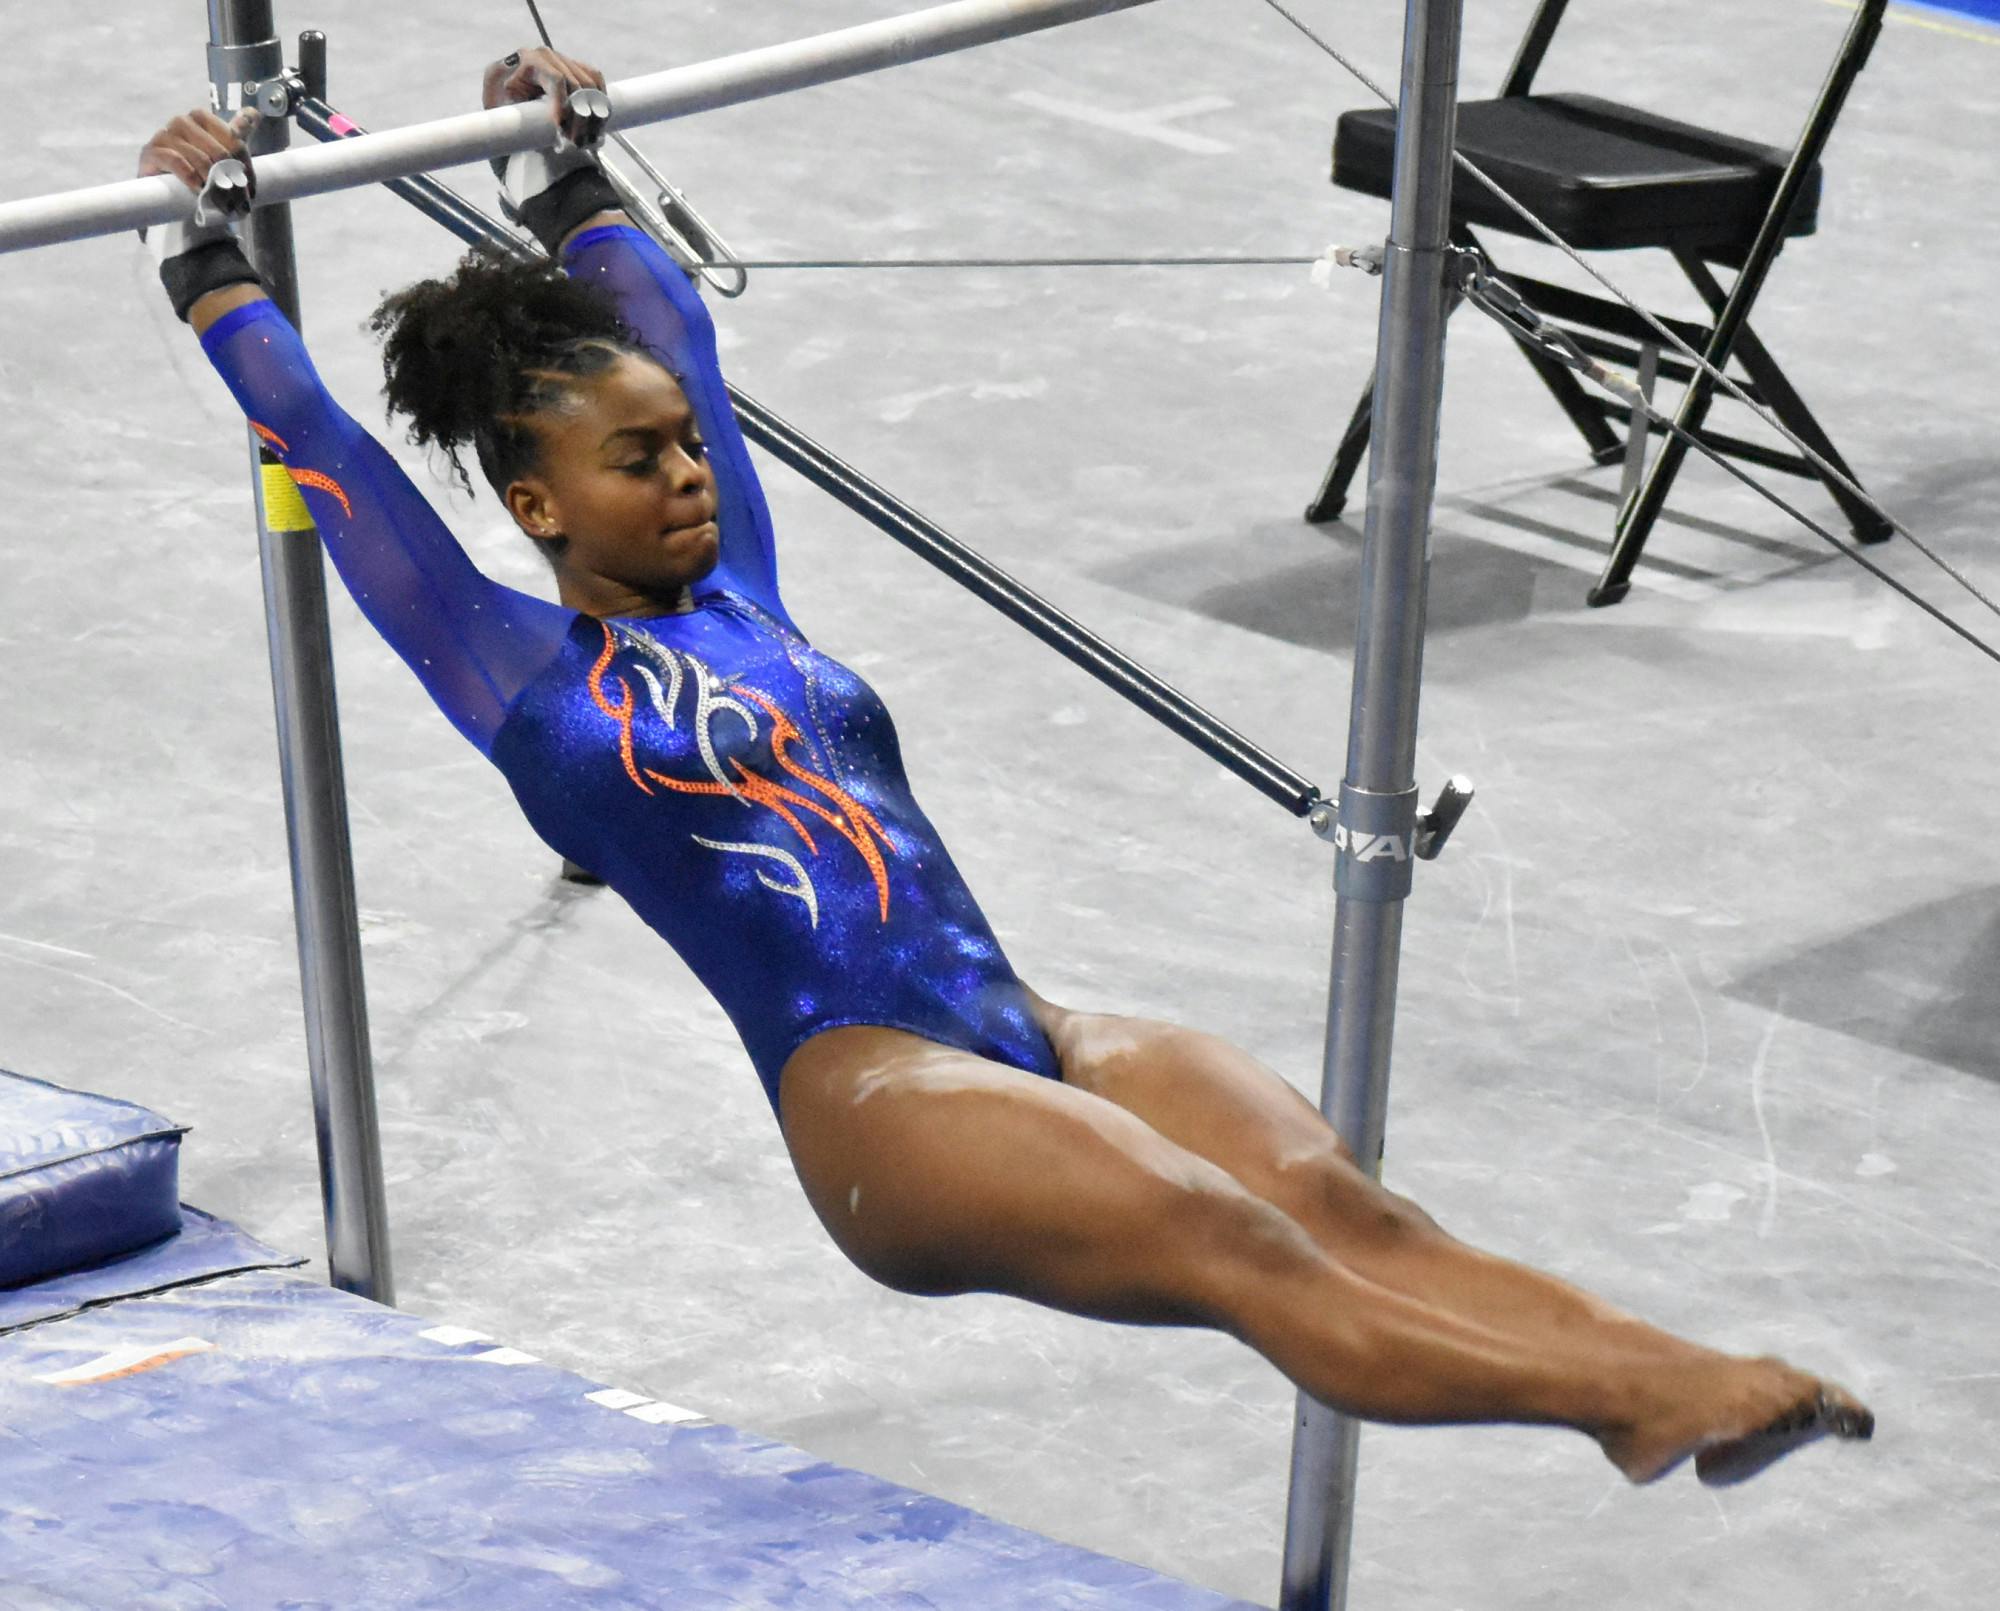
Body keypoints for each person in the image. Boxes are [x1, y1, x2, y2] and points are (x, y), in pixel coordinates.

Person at [135, 49, 1871, 1491]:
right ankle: (1622, 1410)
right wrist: (205, 246)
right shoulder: (507, 667)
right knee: (1238, 1246)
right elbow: (315, 430)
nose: (688, 479)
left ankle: (1681, 1379)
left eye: (683, 448)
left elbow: (674, 322)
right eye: (635, 459)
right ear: (535, 507)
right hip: (873, 1093)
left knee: (1340, 1201)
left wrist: (565, 167)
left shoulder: (745, 590)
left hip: (1025, 1026)